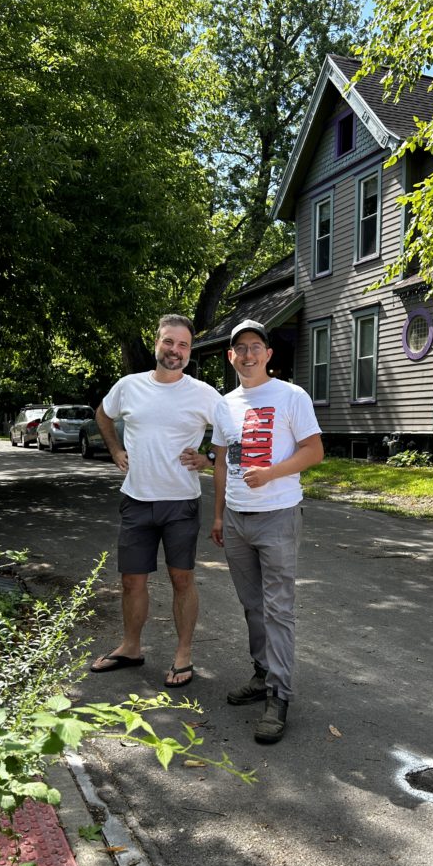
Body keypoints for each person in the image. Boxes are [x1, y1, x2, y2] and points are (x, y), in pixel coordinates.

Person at [90, 314, 221, 689]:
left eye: (183, 345)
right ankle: (131, 647)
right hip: (136, 498)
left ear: (189, 350)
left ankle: (183, 654)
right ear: (157, 343)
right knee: (131, 581)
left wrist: (208, 459)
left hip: (180, 502)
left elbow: (233, 431)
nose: (175, 350)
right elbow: (103, 414)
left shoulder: (203, 393)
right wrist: (115, 449)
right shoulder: (129, 386)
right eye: (169, 342)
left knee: (182, 579)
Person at [210, 319, 324, 743]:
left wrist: (272, 472)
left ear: (268, 354)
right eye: (240, 347)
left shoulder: (291, 396)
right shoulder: (225, 404)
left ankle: (279, 695)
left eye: (256, 346)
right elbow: (223, 461)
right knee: (252, 606)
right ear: (231, 356)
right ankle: (262, 674)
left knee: (278, 609)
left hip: (278, 515)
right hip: (237, 519)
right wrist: (219, 515)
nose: (248, 354)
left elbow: (314, 451)